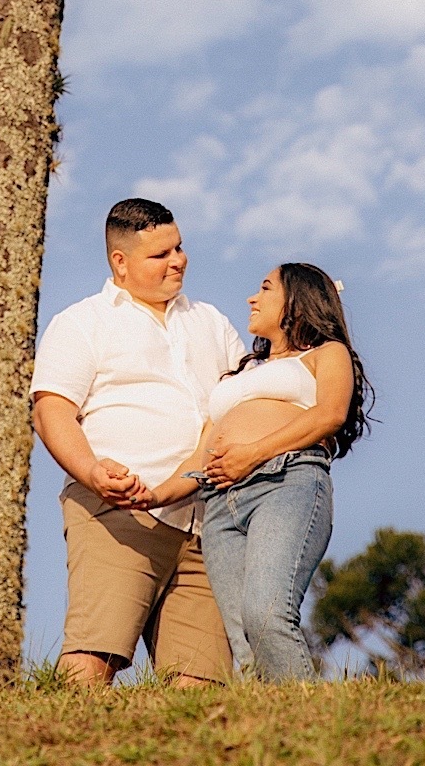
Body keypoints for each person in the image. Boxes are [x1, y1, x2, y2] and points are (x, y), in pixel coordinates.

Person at [30, 197, 245, 686]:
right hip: (118, 514)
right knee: (92, 659)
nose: (178, 261)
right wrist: (92, 472)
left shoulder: (211, 321)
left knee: (201, 686)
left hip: (206, 524)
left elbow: (239, 407)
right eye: (160, 254)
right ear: (120, 262)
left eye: (179, 248)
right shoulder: (82, 322)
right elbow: (51, 411)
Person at [145, 262, 373, 681]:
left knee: (266, 613)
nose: (252, 297)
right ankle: (268, 719)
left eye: (266, 288)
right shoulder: (242, 372)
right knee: (244, 639)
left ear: (298, 301)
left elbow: (330, 414)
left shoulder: (326, 354)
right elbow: (200, 455)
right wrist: (153, 496)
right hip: (220, 502)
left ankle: (308, 713)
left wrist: (251, 455)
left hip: (284, 483)